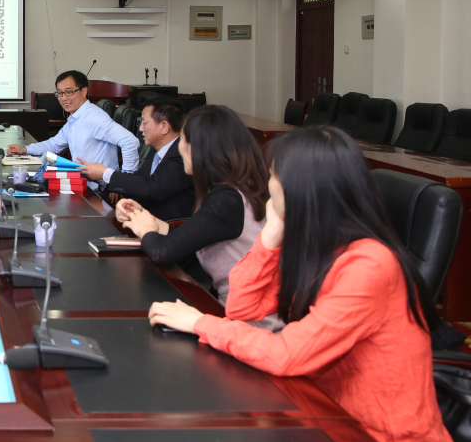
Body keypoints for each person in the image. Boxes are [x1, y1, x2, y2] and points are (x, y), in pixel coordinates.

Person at [148, 126, 450, 442]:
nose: (268, 185)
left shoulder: (369, 264)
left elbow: (286, 353)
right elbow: (242, 308)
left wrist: (200, 323)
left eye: (273, 176)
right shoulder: (315, 245)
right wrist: (269, 237)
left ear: (300, 188)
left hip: (380, 432)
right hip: (322, 409)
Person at [117, 106, 279, 330]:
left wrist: (146, 229)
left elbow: (163, 251)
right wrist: (146, 218)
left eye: (182, 140)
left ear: (200, 148)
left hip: (250, 325)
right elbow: (192, 236)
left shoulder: (227, 200)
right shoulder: (235, 190)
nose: (179, 148)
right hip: (235, 314)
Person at [76, 98, 194, 220]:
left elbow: (151, 189)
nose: (141, 129)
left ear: (164, 126)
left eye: (144, 123)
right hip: (142, 216)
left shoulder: (182, 153)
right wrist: (97, 175)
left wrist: (105, 173)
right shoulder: (158, 150)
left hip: (166, 224)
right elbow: (139, 180)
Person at [7, 70, 138, 176]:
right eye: (60, 93)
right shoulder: (75, 118)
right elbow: (53, 145)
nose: (63, 98)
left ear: (84, 91)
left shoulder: (94, 117)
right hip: (81, 181)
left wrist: (122, 181)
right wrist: (24, 150)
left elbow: (130, 141)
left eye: (69, 92)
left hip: (98, 189)